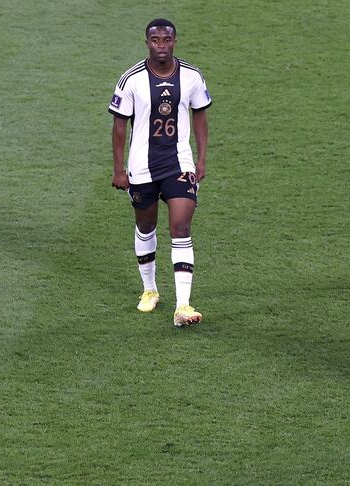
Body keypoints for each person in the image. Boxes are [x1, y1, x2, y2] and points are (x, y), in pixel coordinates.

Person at [109, 18, 212, 327]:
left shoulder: (192, 77)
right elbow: (118, 127)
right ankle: (150, 289)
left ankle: (183, 306)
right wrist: (118, 169)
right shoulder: (132, 80)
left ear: (174, 42)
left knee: (181, 227)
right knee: (146, 226)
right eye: (156, 40)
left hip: (179, 163)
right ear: (147, 43)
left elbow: (200, 118)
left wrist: (202, 160)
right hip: (141, 167)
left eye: (167, 40)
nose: (162, 46)